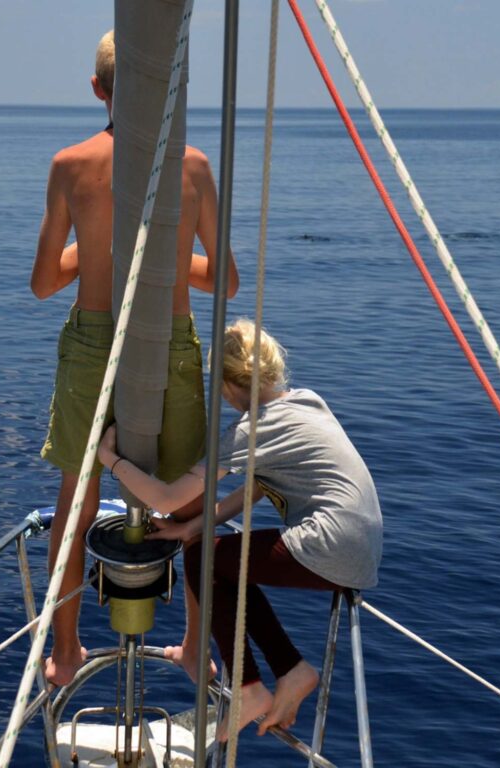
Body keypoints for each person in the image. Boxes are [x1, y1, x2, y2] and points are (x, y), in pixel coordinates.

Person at [31, 30, 239, 687]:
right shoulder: (195, 167)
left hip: (93, 339)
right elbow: (225, 281)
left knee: (78, 499)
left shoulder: (71, 164)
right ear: (172, 93)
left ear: (98, 90)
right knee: (189, 503)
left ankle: (64, 652)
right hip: (171, 340)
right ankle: (194, 646)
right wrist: (173, 262)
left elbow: (42, 283)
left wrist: (97, 254)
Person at [97, 319, 383, 740]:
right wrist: (191, 526)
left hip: (330, 542)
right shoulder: (305, 401)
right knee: (220, 560)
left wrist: (111, 460)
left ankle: (249, 687)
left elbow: (167, 497)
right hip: (360, 545)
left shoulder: (250, 431)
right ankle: (290, 670)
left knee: (203, 559)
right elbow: (255, 490)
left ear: (230, 387)